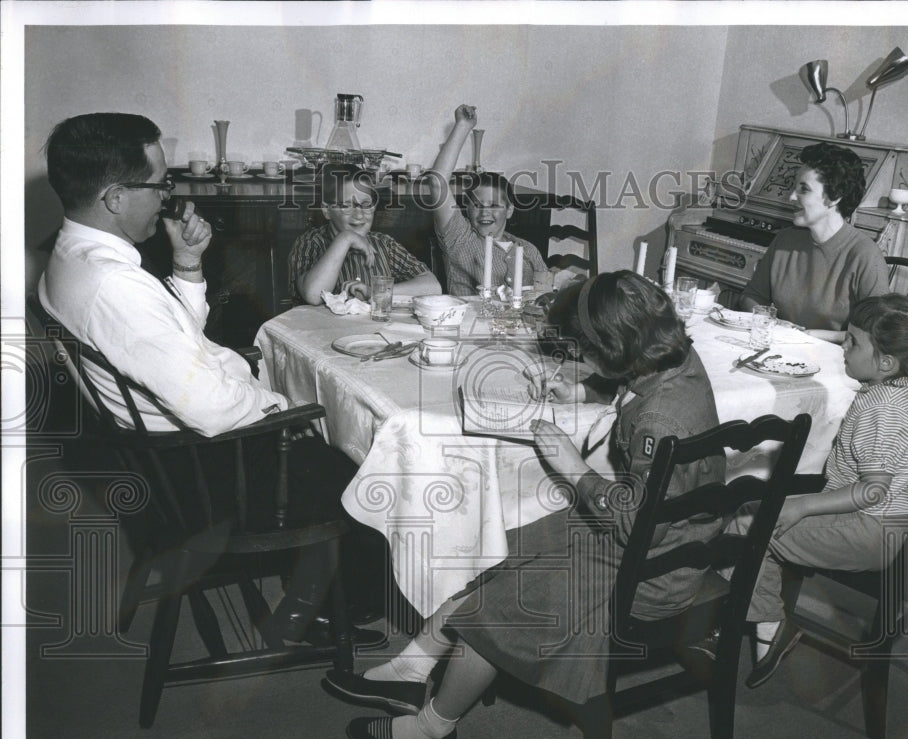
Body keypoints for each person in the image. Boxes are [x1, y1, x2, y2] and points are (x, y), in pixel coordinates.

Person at [327, 271, 726, 739]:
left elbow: (634, 521)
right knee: (498, 548)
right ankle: (413, 668)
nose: (583, 360)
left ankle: (435, 726)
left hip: (654, 568)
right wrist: (586, 392)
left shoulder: (662, 421)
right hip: (660, 535)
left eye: (589, 352)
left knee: (502, 606)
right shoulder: (674, 357)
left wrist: (575, 469)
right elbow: (638, 384)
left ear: (618, 347)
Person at [37, 112, 383, 646]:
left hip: (170, 460)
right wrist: (280, 412)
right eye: (159, 185)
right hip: (202, 469)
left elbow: (173, 344)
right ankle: (304, 614)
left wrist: (188, 266)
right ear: (114, 197)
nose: (167, 198)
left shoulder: (73, 256)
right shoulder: (114, 286)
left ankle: (309, 591)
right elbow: (212, 408)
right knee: (364, 466)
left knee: (323, 427)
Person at [741, 293, 908, 688]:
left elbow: (872, 491)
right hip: (877, 521)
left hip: (869, 528)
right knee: (751, 509)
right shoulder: (892, 390)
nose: (843, 348)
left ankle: (769, 626)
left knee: (749, 526)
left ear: (886, 362)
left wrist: (801, 507)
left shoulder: (882, 408)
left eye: (853, 342)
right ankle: (748, 606)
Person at [738, 142, 889, 342]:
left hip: (837, 359)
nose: (791, 197)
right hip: (782, 348)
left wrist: (816, 336)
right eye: (794, 187)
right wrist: (772, 322)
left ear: (834, 198)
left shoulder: (864, 254)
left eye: (804, 189)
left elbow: (878, 331)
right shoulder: (785, 239)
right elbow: (752, 296)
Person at [428, 105, 557, 297]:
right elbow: (438, 183)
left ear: (509, 210)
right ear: (467, 208)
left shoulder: (528, 250)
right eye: (477, 205)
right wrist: (463, 126)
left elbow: (545, 296)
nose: (485, 212)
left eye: (495, 205)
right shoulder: (460, 239)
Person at [289, 164, 440, 305]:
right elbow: (313, 295)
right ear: (326, 210)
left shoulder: (383, 244)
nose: (359, 215)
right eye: (346, 205)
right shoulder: (310, 242)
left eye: (366, 205)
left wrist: (374, 292)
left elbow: (433, 287)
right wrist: (345, 238)